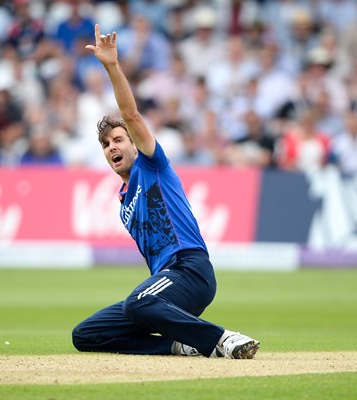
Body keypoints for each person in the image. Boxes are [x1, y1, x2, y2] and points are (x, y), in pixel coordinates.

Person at [71, 25, 260, 359]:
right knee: (87, 334)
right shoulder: (123, 200)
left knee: (139, 302)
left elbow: (130, 114)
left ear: (134, 142)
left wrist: (112, 67)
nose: (111, 147)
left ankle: (222, 338)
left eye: (118, 140)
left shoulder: (151, 164)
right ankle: (179, 346)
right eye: (105, 145)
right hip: (165, 282)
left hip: (190, 270)